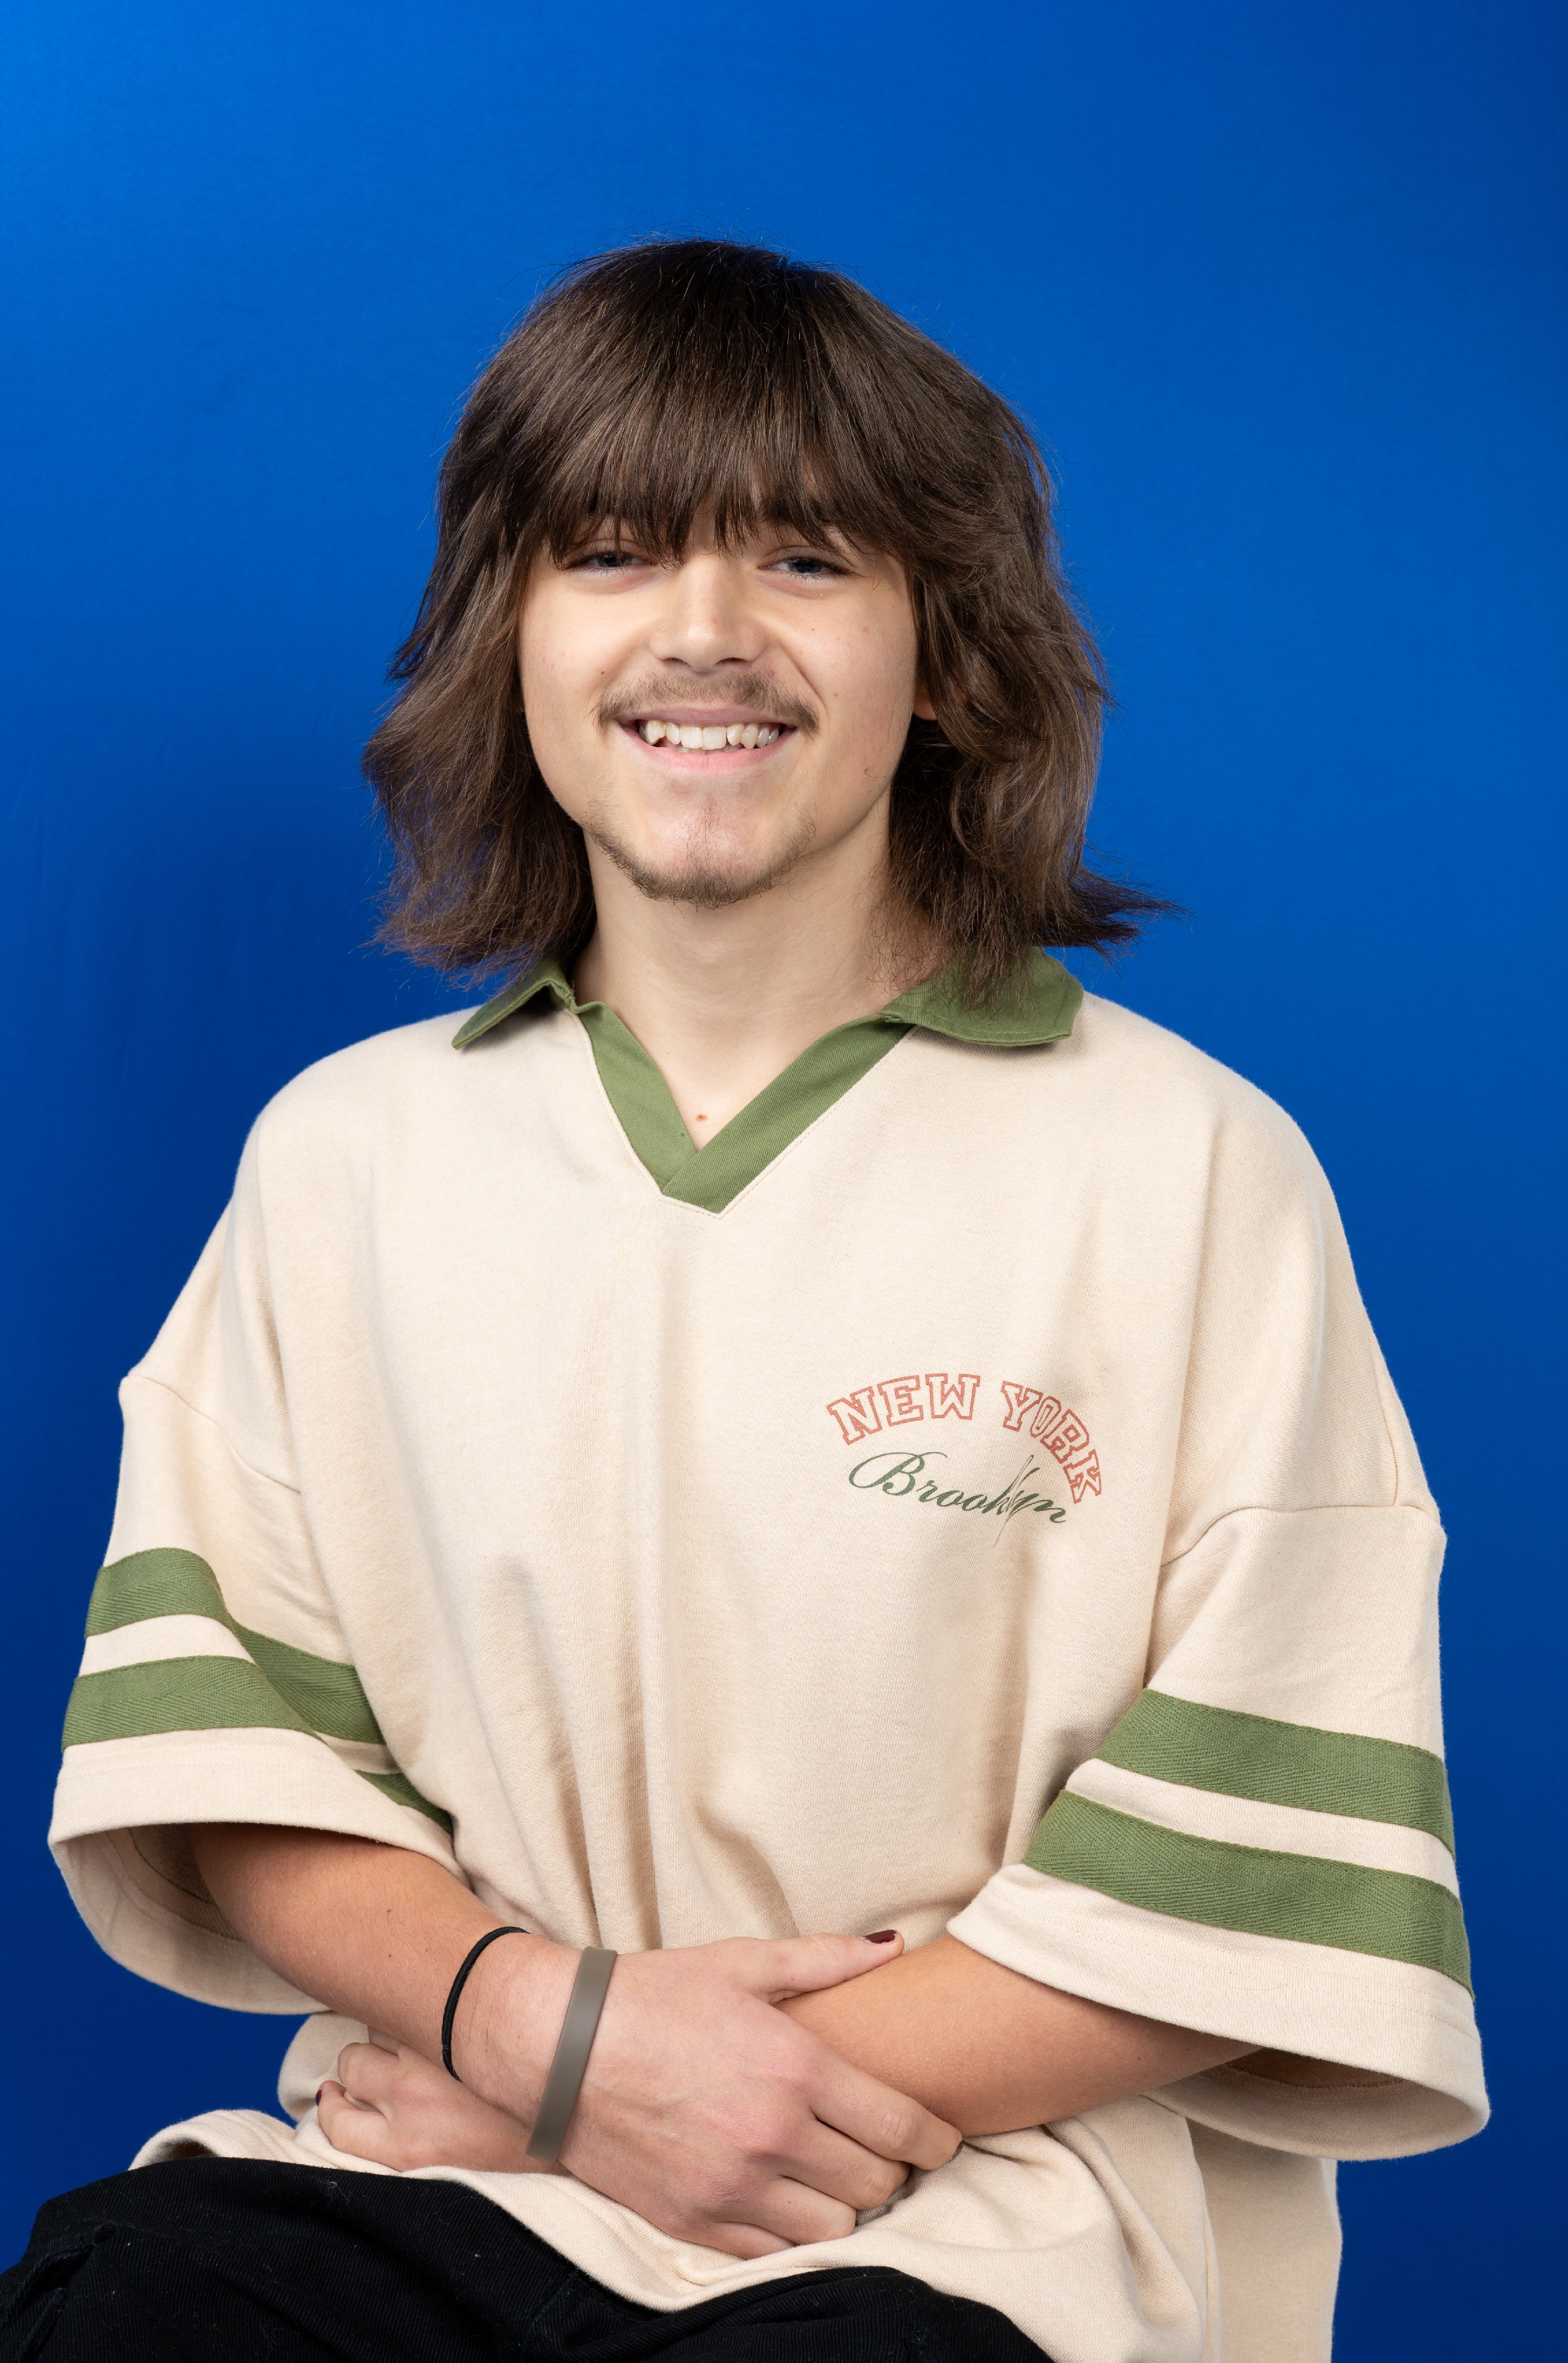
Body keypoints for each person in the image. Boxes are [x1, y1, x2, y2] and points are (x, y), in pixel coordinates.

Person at [1, 240, 1486, 2363]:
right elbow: (239, 1755)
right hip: (441, 2160)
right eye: (611, 551)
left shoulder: (1189, 1173)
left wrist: (634, 2089)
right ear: (511, 636)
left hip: (975, 2220)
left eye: (806, 556)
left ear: (943, 655)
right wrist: (545, 2039)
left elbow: (1246, 1869)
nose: (704, 628)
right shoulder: (342, 1160)